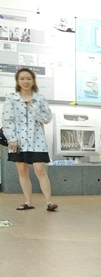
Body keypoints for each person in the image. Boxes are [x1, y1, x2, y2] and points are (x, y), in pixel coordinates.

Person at [3, 68, 56, 211]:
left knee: (40, 169)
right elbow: (7, 120)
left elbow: (47, 118)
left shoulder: (40, 98)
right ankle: (28, 201)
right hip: (18, 141)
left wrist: (33, 107)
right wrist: (11, 139)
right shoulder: (11, 98)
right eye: (22, 79)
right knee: (22, 170)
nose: (25, 81)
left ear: (33, 81)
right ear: (17, 81)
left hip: (37, 140)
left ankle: (49, 202)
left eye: (28, 78)